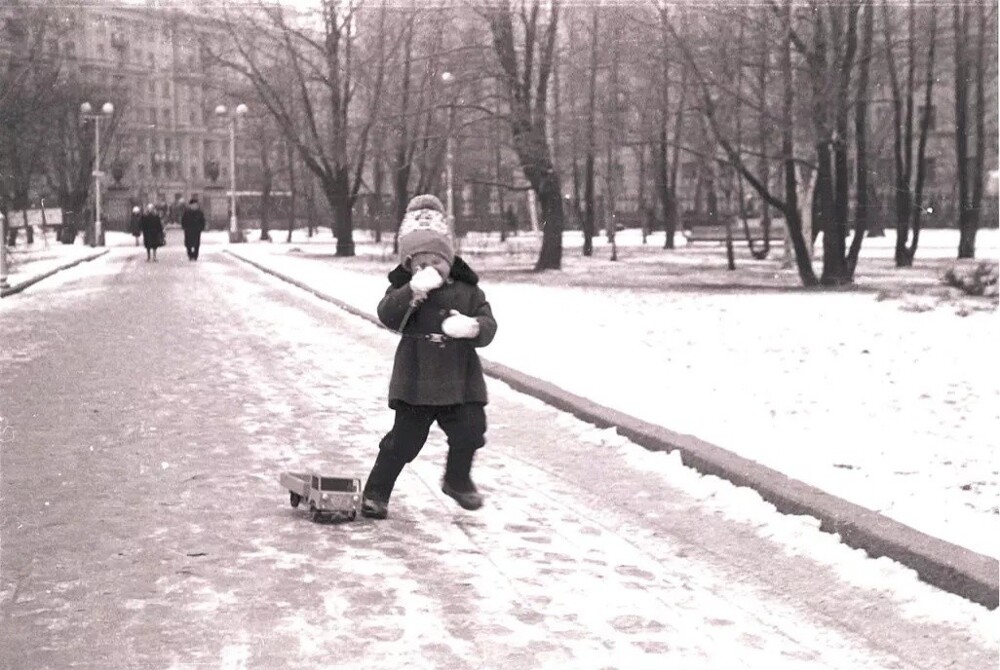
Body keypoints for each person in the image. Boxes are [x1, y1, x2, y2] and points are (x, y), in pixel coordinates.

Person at [361, 194, 498, 520]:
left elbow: (489, 325)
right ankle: (376, 492)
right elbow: (387, 316)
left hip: (459, 383)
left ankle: (457, 479)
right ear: (409, 267)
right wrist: (411, 293)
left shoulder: (468, 293)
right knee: (403, 443)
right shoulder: (407, 293)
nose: (429, 268)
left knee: (470, 430)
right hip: (416, 383)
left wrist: (473, 327)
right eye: (419, 263)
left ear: (449, 261)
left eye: (436, 261)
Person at [180, 196, 206, 260]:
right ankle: (190, 255)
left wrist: (201, 228)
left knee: (196, 244)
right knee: (188, 244)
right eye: (193, 205)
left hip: (196, 230)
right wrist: (184, 227)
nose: (194, 206)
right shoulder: (186, 213)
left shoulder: (199, 213)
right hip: (188, 230)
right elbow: (183, 220)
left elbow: (202, 221)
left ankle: (195, 255)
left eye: (196, 205)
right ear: (190, 205)